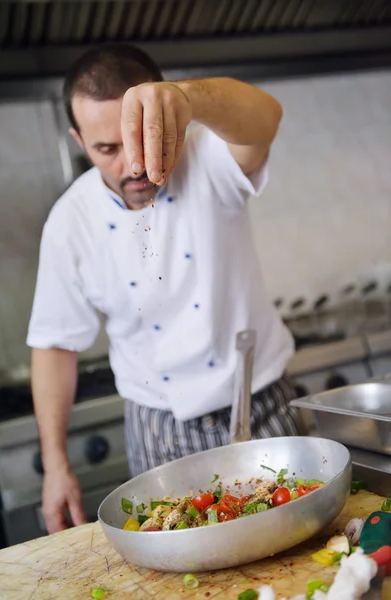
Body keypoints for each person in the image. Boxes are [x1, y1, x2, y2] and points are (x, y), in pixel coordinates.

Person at [27, 43, 302, 535]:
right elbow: (54, 345)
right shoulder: (69, 222)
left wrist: (188, 97)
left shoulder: (210, 158)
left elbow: (267, 118)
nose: (134, 167)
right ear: (78, 139)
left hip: (260, 406)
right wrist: (55, 465)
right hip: (158, 430)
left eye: (142, 142)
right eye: (106, 149)